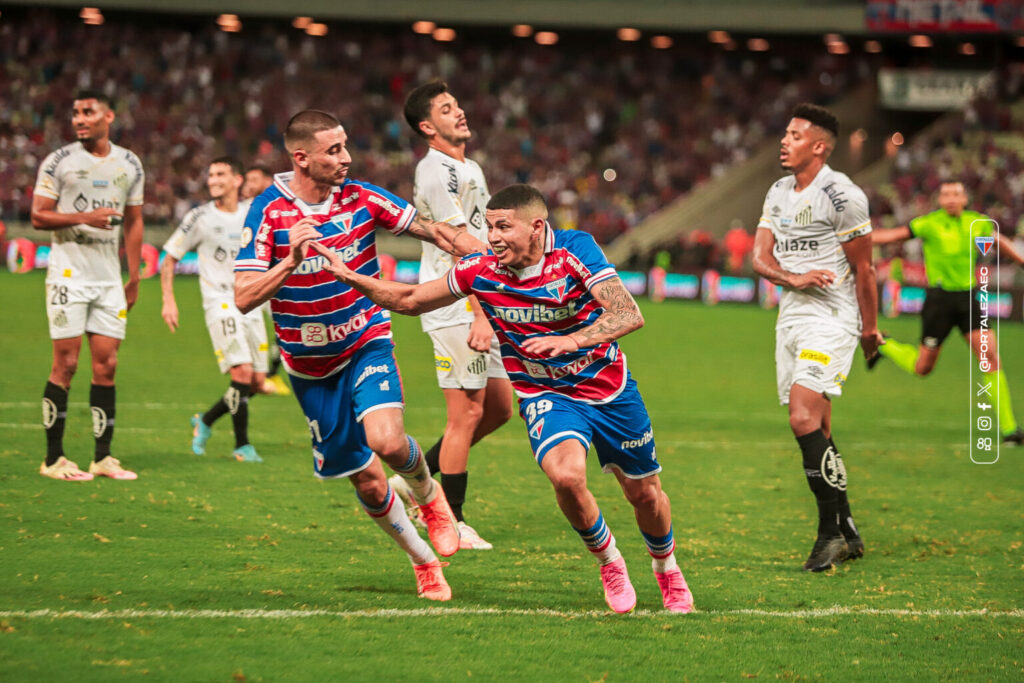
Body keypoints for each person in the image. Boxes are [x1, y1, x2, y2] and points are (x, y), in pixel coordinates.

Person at [310, 184, 695, 614]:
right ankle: (610, 561)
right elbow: (411, 299)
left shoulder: (574, 250)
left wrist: (570, 340)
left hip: (609, 390)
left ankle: (667, 570)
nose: (492, 237)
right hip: (546, 393)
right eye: (488, 226)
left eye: (502, 227)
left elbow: (627, 313)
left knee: (644, 495)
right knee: (565, 476)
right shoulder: (481, 269)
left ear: (536, 227)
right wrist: (349, 277)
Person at [234, 110, 485, 601]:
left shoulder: (362, 196)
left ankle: (430, 497)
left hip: (364, 341)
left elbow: (432, 230)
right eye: (334, 150)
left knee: (388, 441)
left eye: (345, 146)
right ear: (301, 157)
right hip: (309, 370)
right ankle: (424, 562)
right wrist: (289, 262)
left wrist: (483, 251)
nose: (346, 158)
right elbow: (243, 296)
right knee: (369, 485)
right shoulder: (267, 211)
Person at [752, 103, 881, 572]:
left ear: (819, 146)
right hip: (791, 319)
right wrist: (794, 278)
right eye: (785, 133)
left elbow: (865, 270)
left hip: (833, 319)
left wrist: (869, 328)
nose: (784, 141)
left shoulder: (843, 195)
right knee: (820, 429)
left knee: (803, 418)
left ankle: (829, 534)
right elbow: (759, 260)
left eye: (794, 135)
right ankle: (846, 527)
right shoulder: (778, 192)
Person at [395, 80, 514, 550]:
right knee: (465, 413)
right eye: (447, 108)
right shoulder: (435, 171)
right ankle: (450, 517)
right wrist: (482, 314)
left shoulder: (470, 167)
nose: (460, 112)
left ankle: (415, 480)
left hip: (482, 301)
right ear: (428, 126)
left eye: (457, 104)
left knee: (501, 408)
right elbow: (464, 252)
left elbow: (486, 244)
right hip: (455, 305)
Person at [31, 89, 144, 482]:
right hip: (68, 276)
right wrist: (84, 218)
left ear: (108, 116)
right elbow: (38, 216)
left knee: (107, 366)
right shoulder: (59, 161)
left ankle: (102, 458)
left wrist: (132, 275)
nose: (79, 119)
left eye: (88, 112)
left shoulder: (129, 163)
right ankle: (54, 459)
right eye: (75, 113)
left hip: (108, 279)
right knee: (66, 364)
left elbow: (133, 221)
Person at [870, 181, 1024, 445]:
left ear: (965, 198)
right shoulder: (929, 223)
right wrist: (856, 237)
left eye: (956, 194)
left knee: (989, 356)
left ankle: (1010, 430)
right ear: (939, 200)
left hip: (969, 298)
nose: (951, 199)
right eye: (945, 194)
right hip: (939, 301)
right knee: (923, 367)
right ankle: (885, 346)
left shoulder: (977, 223)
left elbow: (996, 242)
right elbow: (892, 235)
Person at [160, 157, 267, 463]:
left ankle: (205, 420)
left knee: (257, 381)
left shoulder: (252, 212)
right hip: (220, 302)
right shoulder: (199, 217)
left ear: (237, 180)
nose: (213, 180)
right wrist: (169, 300)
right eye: (211, 175)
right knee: (242, 373)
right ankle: (242, 446)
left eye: (221, 174)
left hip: (252, 301)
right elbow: (169, 258)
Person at [241, 162, 290, 396]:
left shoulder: (279, 207)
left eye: (253, 180)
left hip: (274, 281)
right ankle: (254, 376)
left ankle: (269, 373)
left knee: (285, 327)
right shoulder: (246, 209)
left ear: (267, 180)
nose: (247, 185)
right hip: (249, 280)